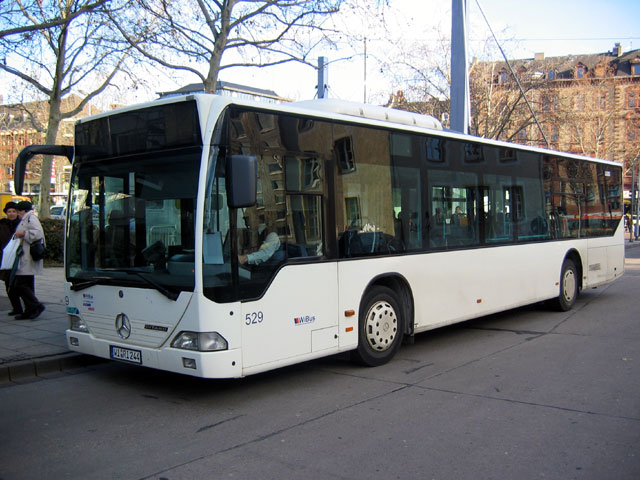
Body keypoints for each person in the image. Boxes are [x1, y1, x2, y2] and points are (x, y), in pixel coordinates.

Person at [12, 201, 45, 320]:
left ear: (23, 211)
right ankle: (29, 310)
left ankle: (36, 305)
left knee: (20, 284)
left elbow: (37, 233)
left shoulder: (31, 218)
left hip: (28, 257)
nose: (17, 214)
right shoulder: (27, 218)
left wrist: (23, 234)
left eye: (18, 211)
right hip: (26, 256)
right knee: (27, 284)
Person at [0, 202, 23, 315]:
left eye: (14, 211)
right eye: (9, 211)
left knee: (19, 284)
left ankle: (27, 307)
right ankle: (16, 307)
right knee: (8, 284)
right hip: (5, 258)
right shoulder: (2, 225)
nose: (11, 213)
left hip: (19, 257)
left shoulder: (21, 224)